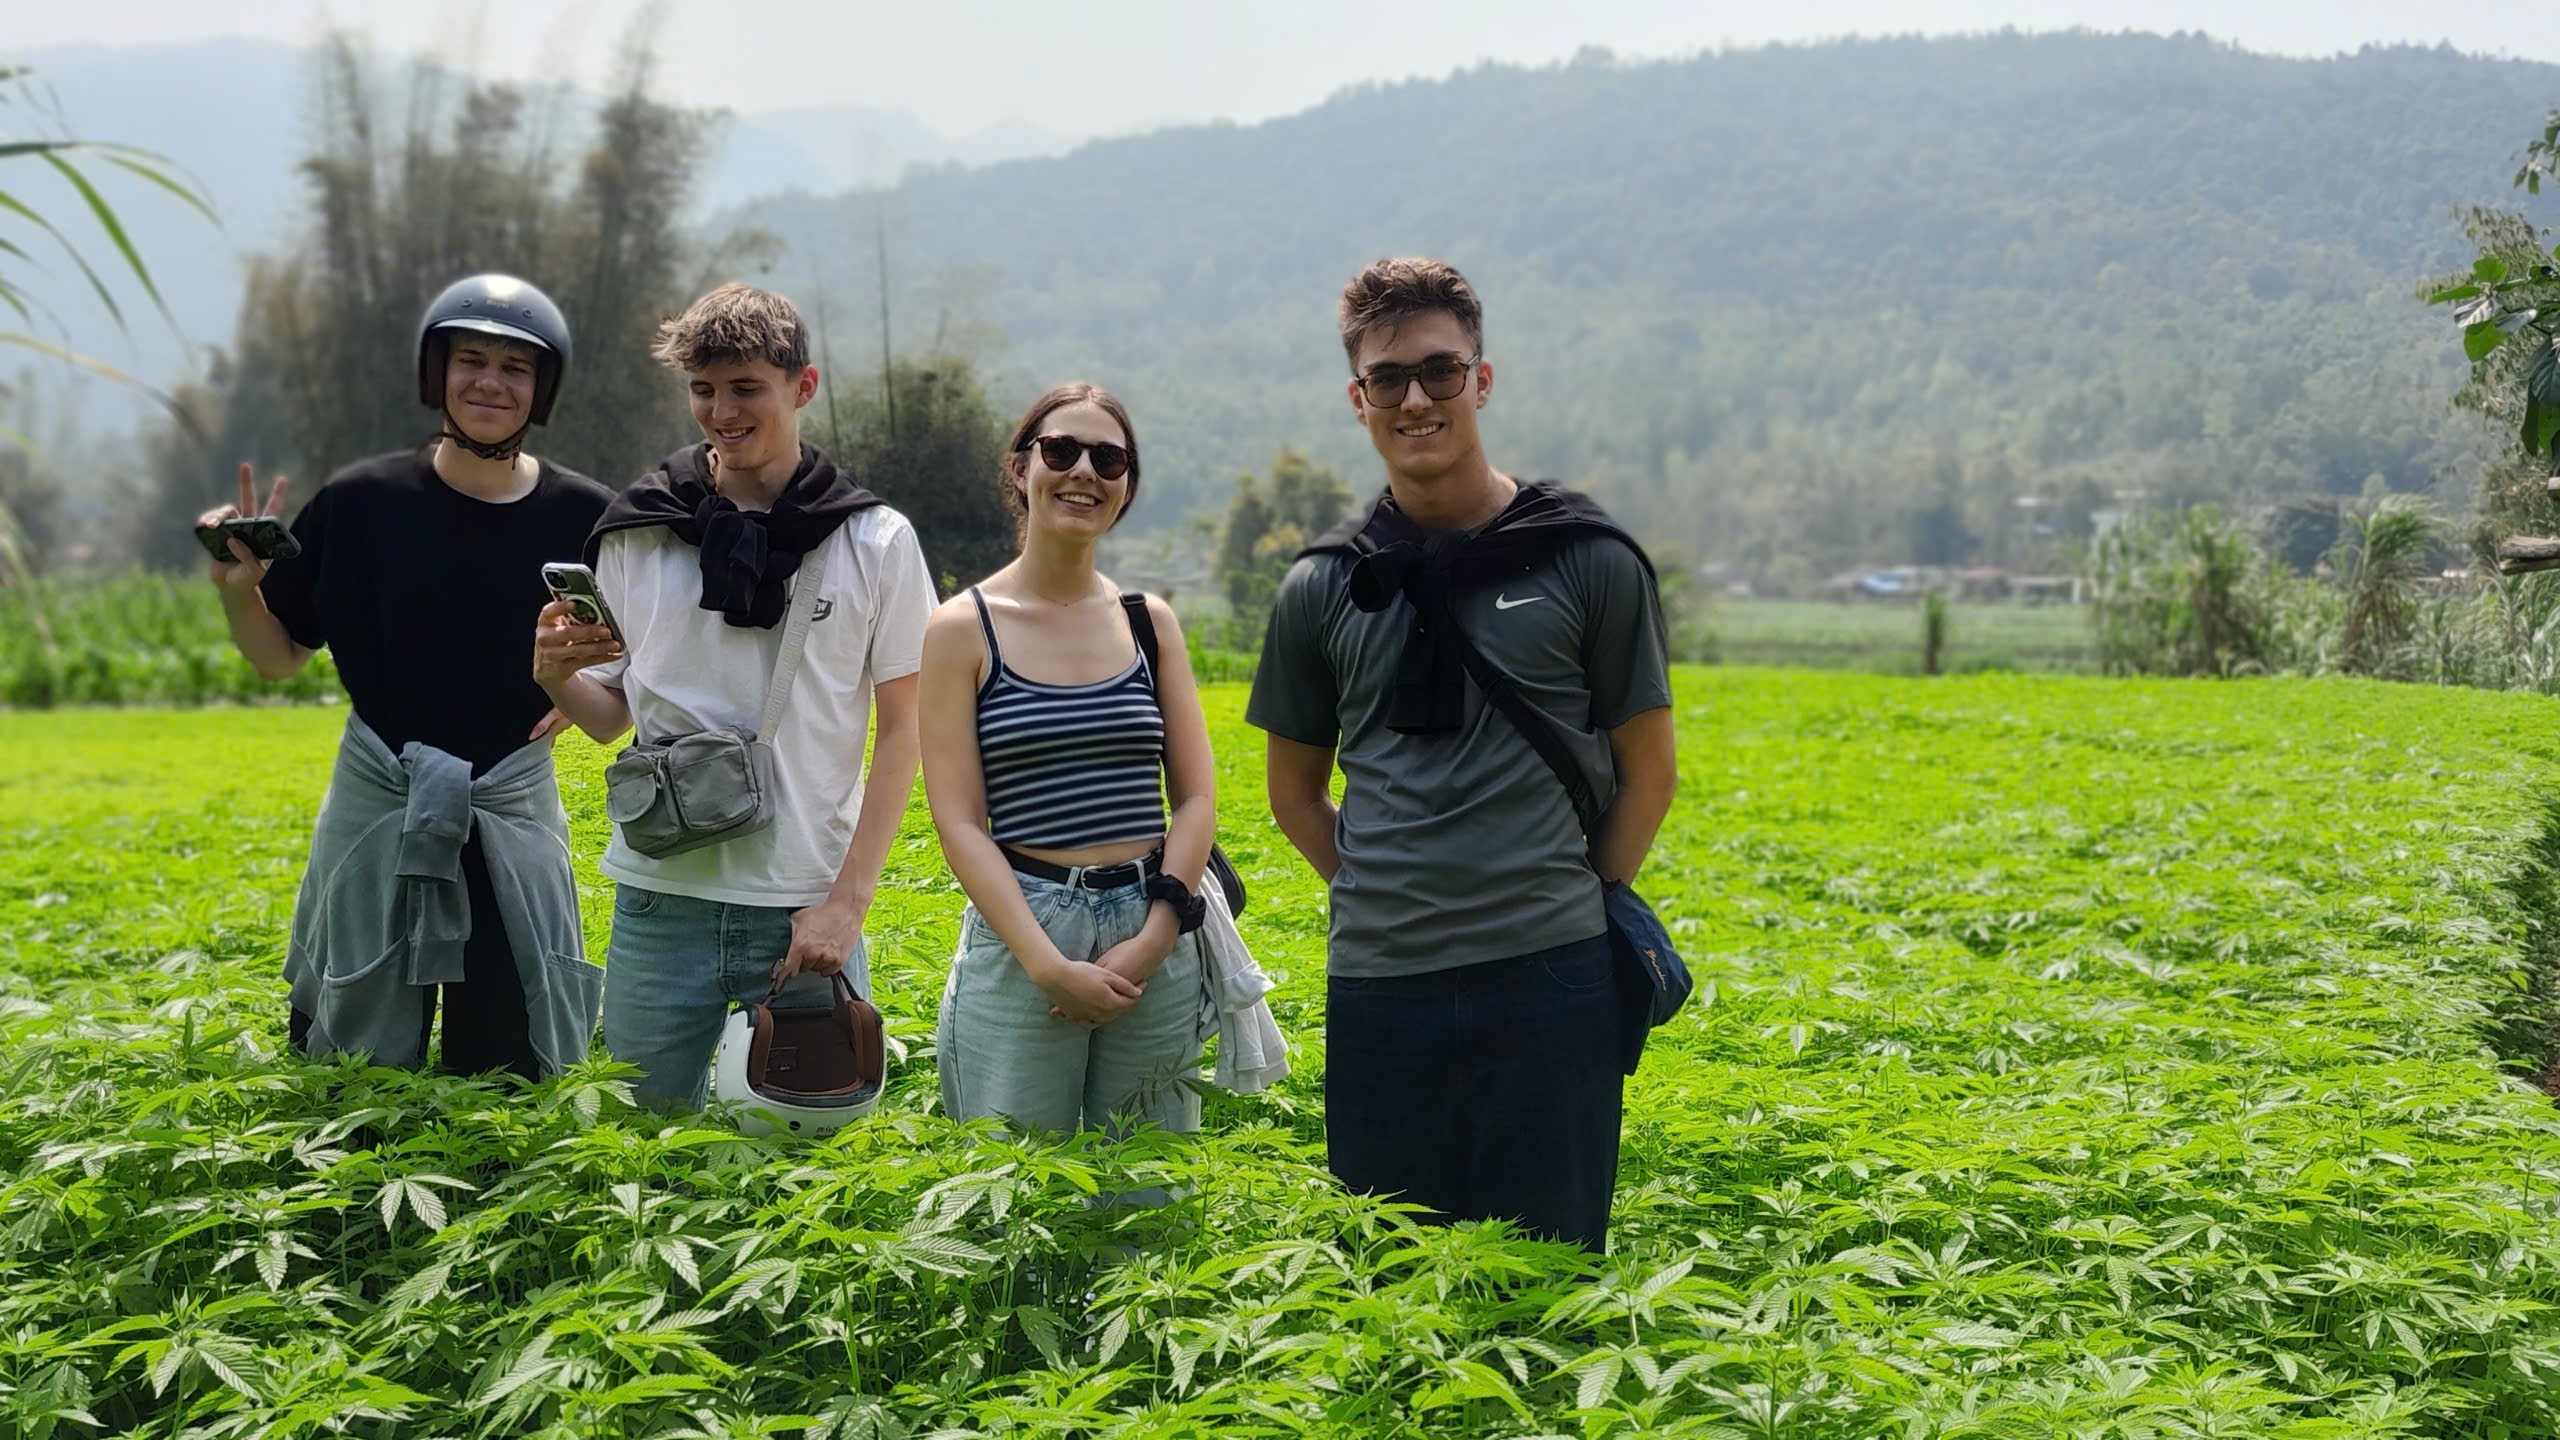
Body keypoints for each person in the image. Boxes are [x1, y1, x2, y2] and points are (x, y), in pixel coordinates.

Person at [1247, 257, 1679, 1251]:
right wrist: (1387, 892)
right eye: (1388, 378)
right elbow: (1294, 793)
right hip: (1379, 988)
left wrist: (1572, 899)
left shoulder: (1584, 558)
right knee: (1390, 1292)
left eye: (1440, 371)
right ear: (1357, 399)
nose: (1416, 399)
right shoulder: (1323, 586)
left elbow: (1649, 772)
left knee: (1548, 1283)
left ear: (1480, 380)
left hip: (1550, 981)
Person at [532, 282, 934, 1111]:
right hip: (659, 901)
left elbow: (907, 730)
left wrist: (846, 905)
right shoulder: (639, 529)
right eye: (703, 389)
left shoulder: (873, 539)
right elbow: (609, 719)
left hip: (803, 908)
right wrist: (555, 677)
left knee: (811, 1152)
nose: (721, 412)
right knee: (641, 1144)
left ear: (803, 386)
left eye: (746, 387)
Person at [202, 272, 613, 1081]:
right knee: (345, 1065)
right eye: (471, 361)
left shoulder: (587, 517)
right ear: (437, 373)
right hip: (379, 791)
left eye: (515, 367)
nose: (490, 382)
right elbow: (280, 655)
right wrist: (238, 592)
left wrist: (579, 689)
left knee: (510, 1067)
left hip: (509, 799)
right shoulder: (361, 502)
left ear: (543, 388)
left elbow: (627, 660)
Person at [918, 383, 1221, 1136]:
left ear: (1126, 486)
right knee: (1014, 1182)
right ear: (1021, 468)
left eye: (1109, 459)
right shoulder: (962, 629)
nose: (1084, 471)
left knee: (1148, 1187)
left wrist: (1156, 937)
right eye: (1060, 450)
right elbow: (959, 821)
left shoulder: (1148, 623)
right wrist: (1045, 964)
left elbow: (1195, 798)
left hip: (1155, 922)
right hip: (1026, 926)